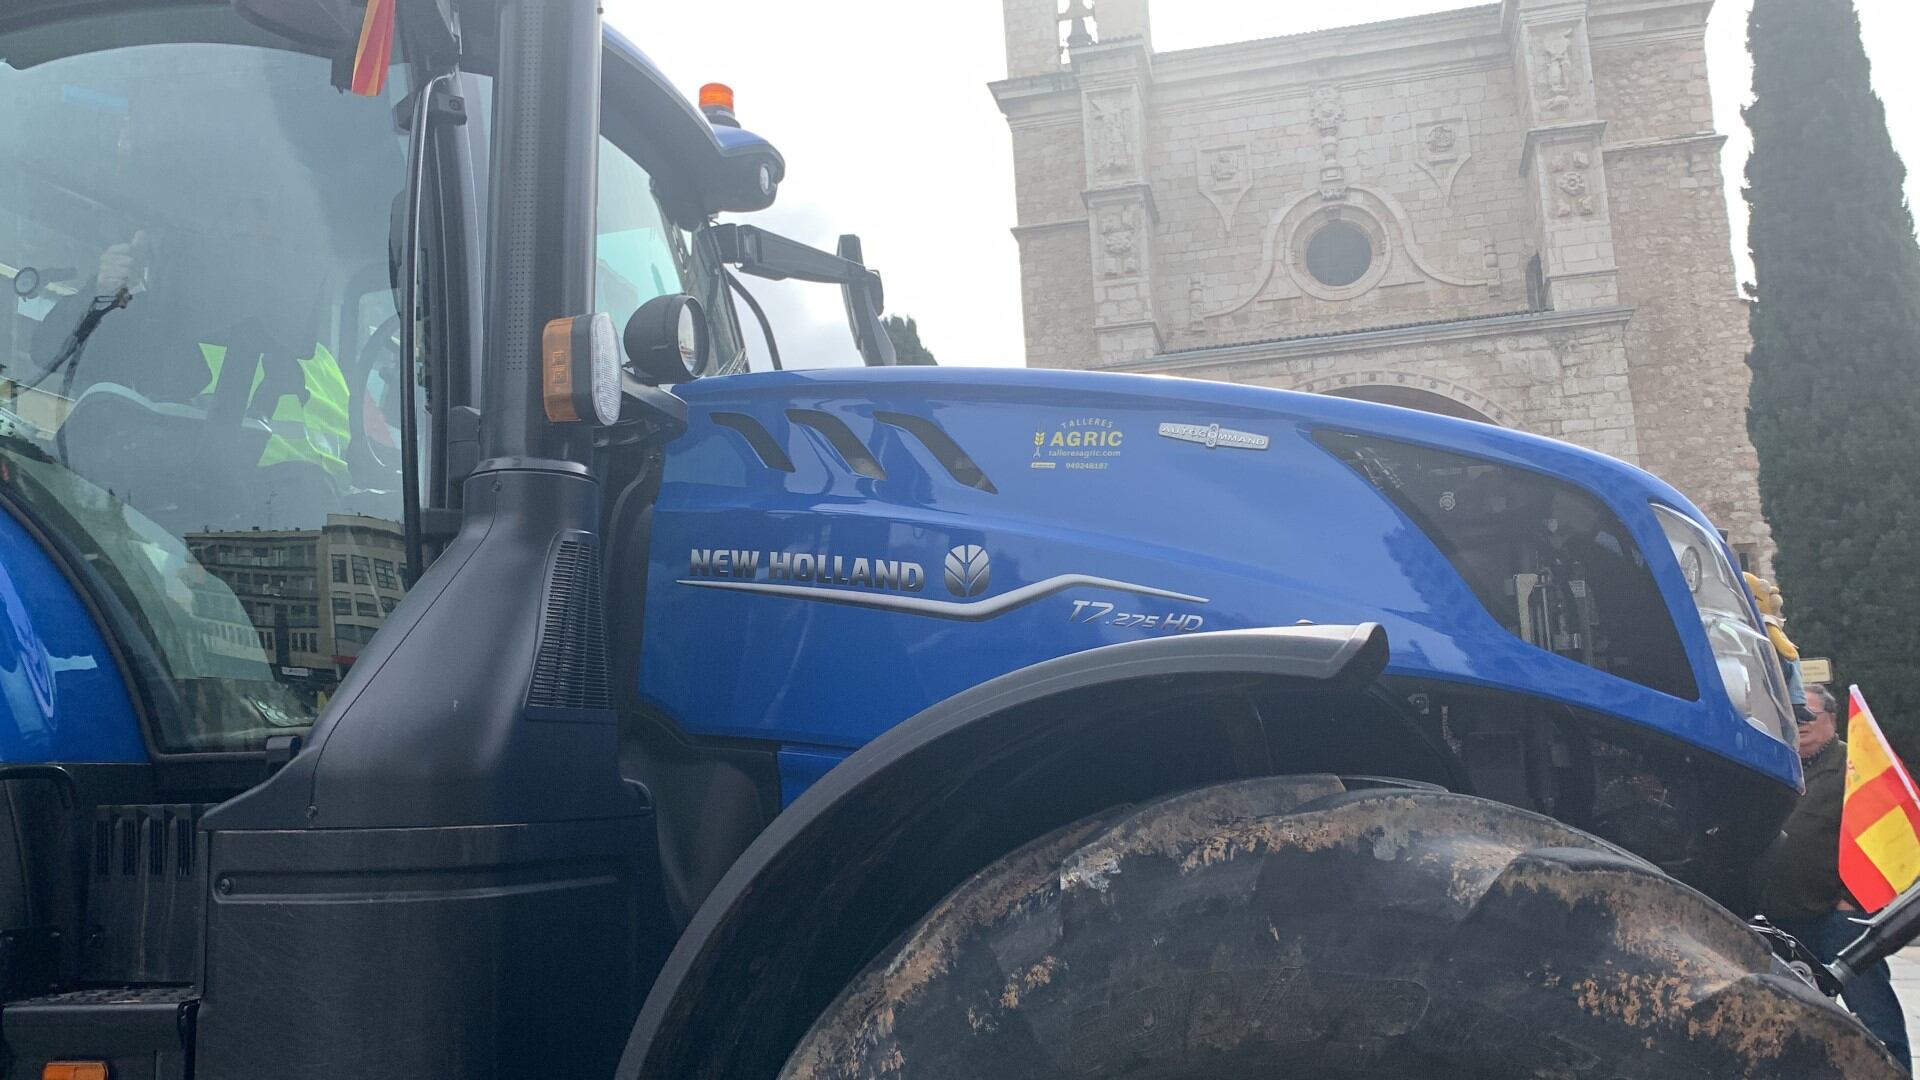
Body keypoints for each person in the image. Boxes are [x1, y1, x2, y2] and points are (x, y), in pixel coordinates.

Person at [1756, 682, 1911, 1068]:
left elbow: (1886, 833)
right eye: (1794, 715)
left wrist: (1853, 898)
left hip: (1838, 915)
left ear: (1833, 720)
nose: (1802, 723)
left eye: (1811, 715)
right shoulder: (1774, 762)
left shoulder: (1855, 767)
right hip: (1777, 916)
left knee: (1872, 1012)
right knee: (1785, 1013)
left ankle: (1893, 1071)